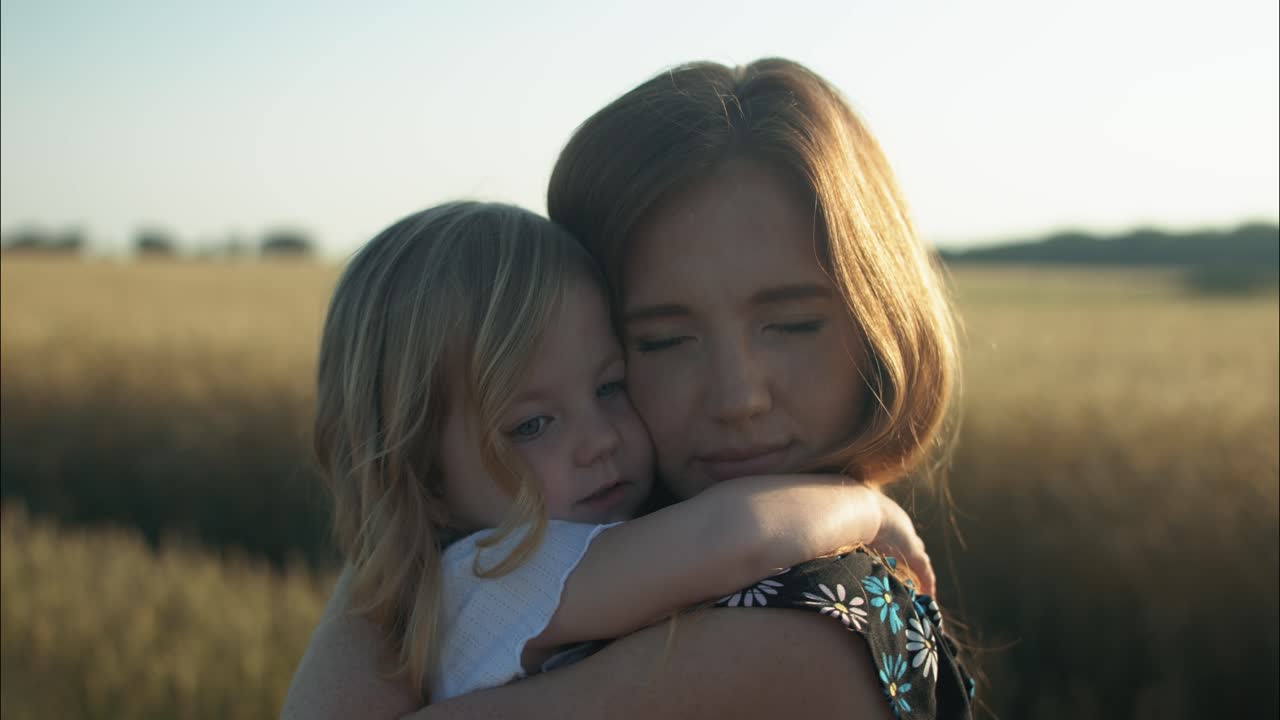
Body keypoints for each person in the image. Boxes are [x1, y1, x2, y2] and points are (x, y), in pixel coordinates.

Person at [283, 57, 973, 719]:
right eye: (662, 341)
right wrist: (863, 507)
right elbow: (737, 534)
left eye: (790, 325)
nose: (738, 398)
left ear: (882, 313)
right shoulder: (509, 562)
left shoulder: (819, 624)